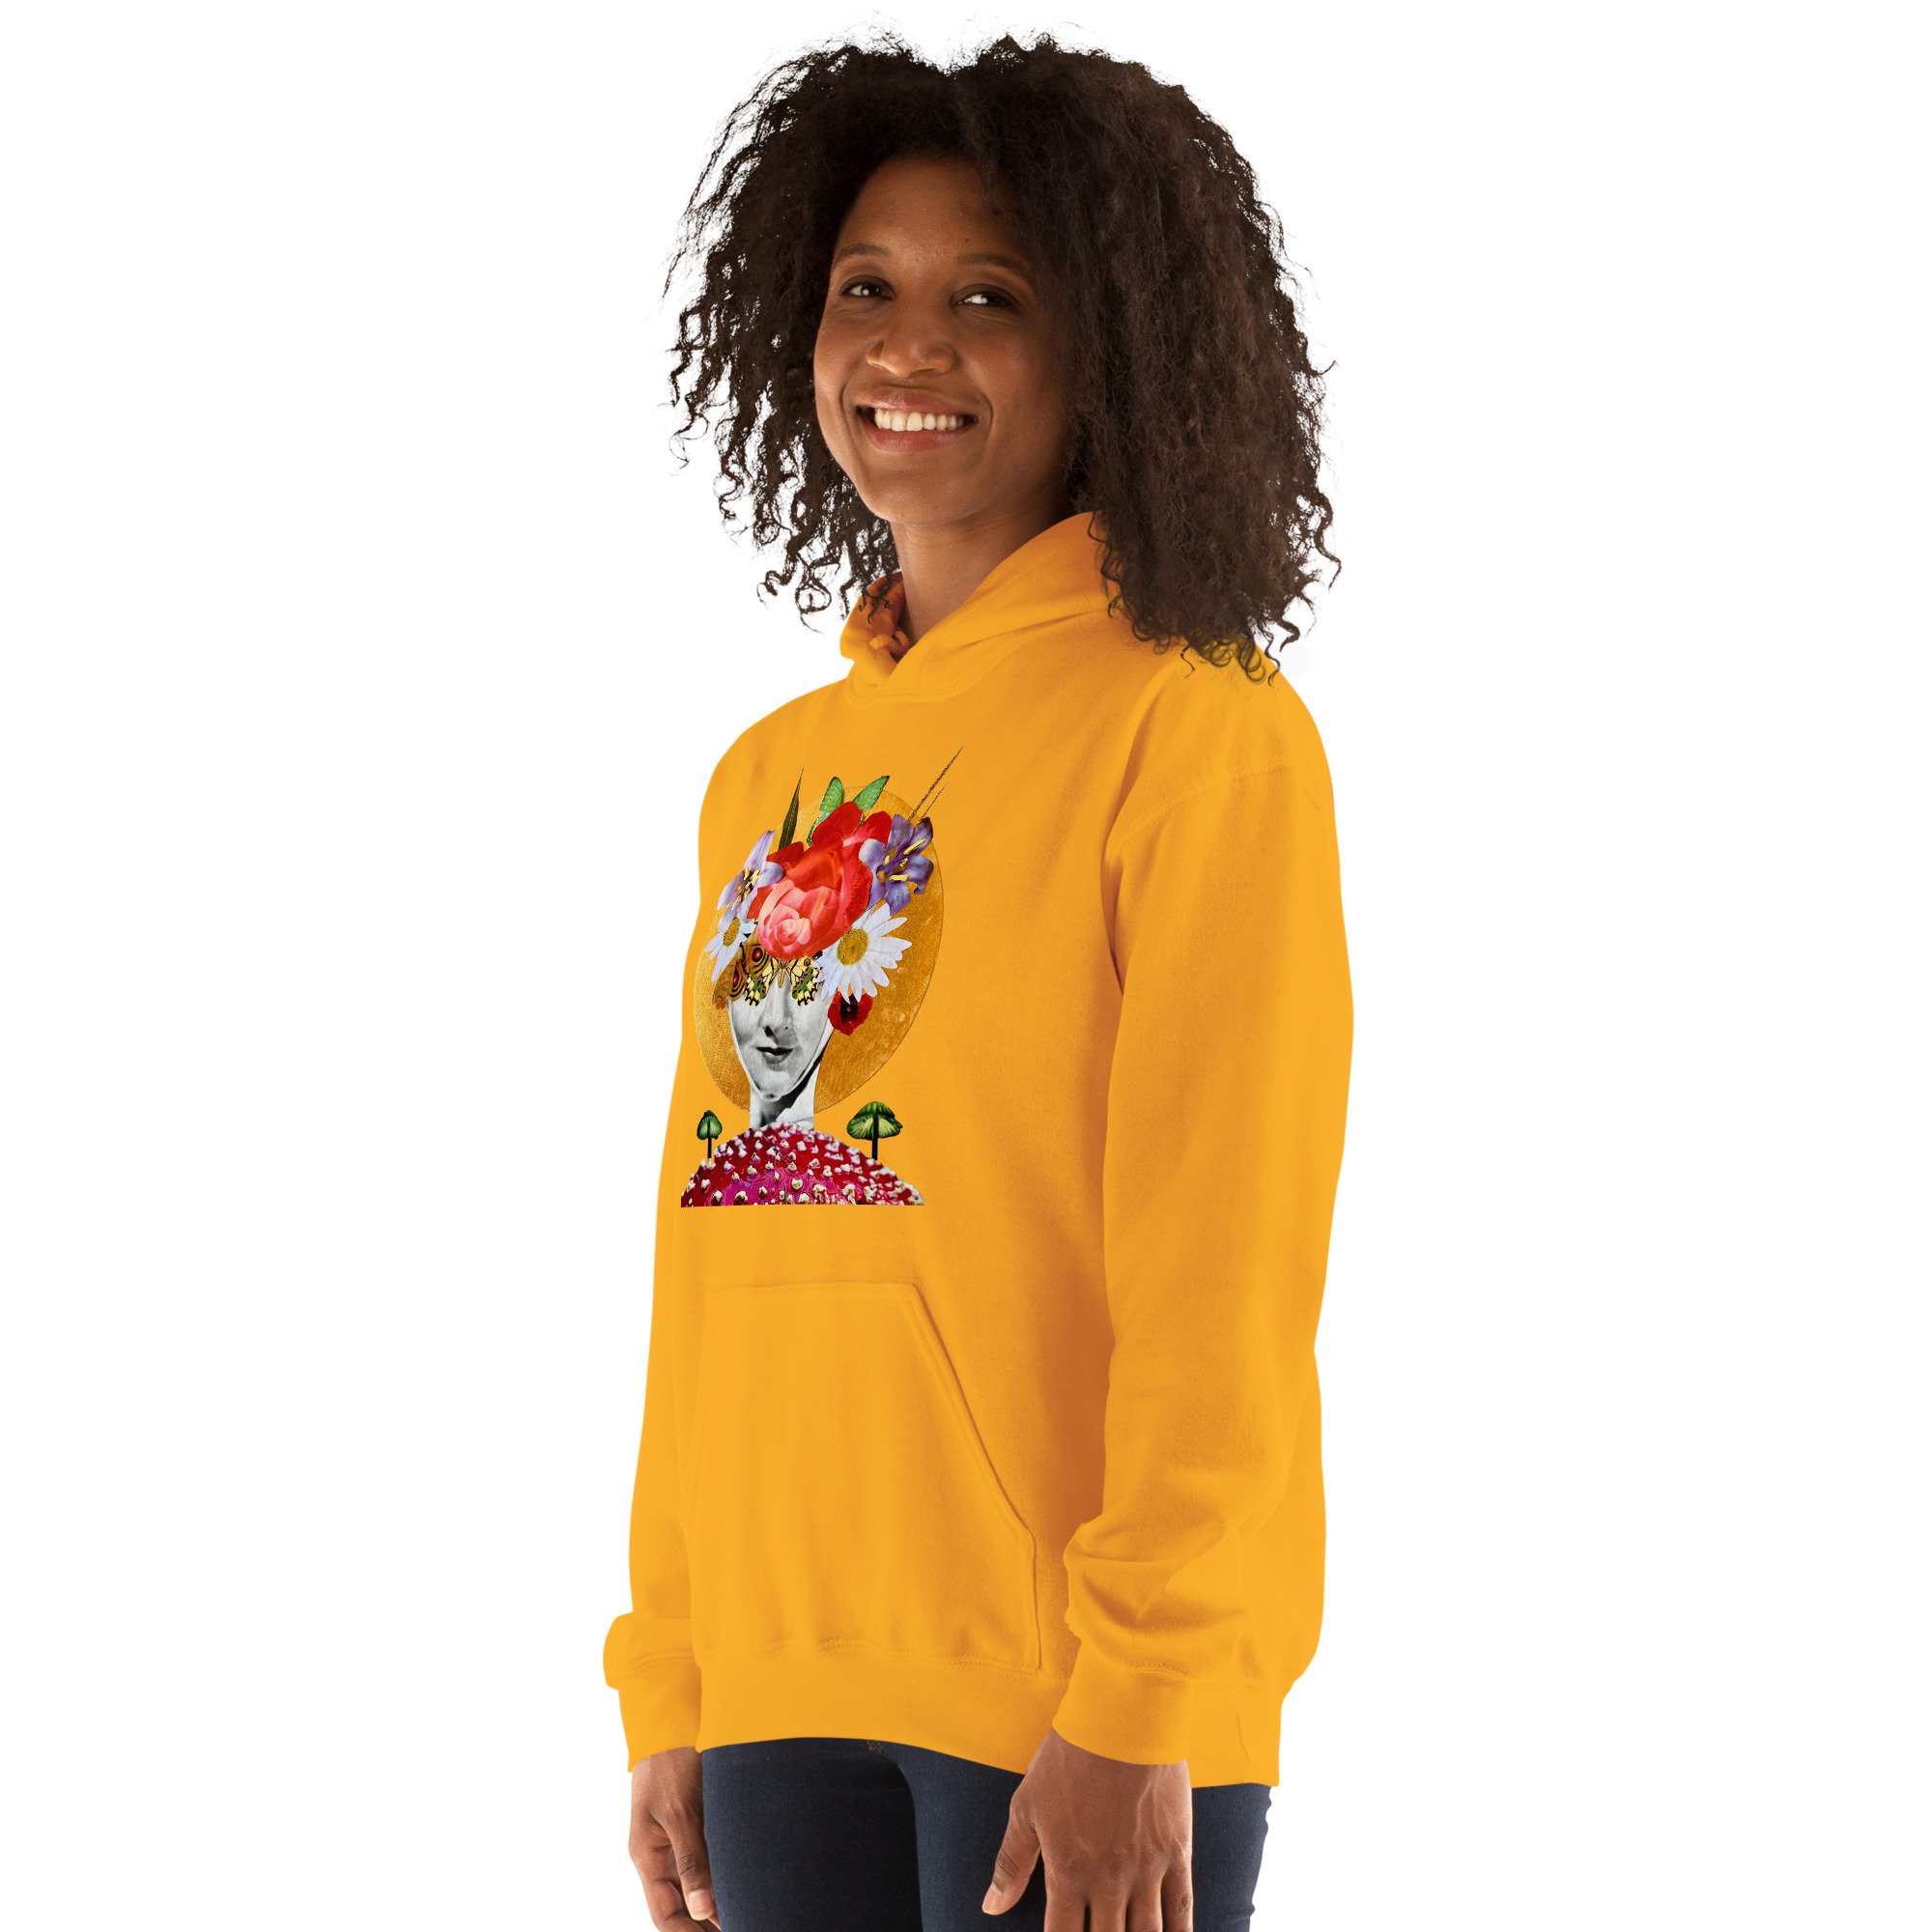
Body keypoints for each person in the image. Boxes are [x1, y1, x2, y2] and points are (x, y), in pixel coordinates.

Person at [605, 29, 1352, 1932]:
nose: (907, 347)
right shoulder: (769, 777)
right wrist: (673, 1668)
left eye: (989, 298)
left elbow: (1224, 1251)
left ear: (1109, 350)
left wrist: (1144, 1681)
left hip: (1067, 1699)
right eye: (865, 289)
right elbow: (708, 1238)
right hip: (780, 1674)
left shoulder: (1196, 728)